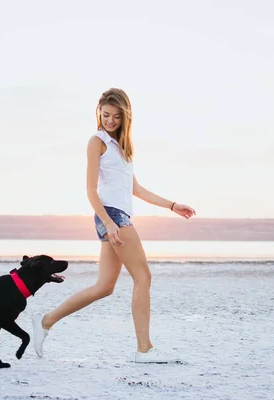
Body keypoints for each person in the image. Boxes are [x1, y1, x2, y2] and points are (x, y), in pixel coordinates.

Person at [32, 88, 196, 363]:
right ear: (99, 113)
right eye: (105, 115)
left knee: (104, 286)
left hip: (119, 217)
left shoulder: (123, 149)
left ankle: (45, 321)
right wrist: (109, 223)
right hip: (111, 216)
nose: (109, 120)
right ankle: (144, 350)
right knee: (143, 277)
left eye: (115, 117)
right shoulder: (97, 142)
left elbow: (136, 189)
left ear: (125, 118)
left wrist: (172, 205)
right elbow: (91, 191)